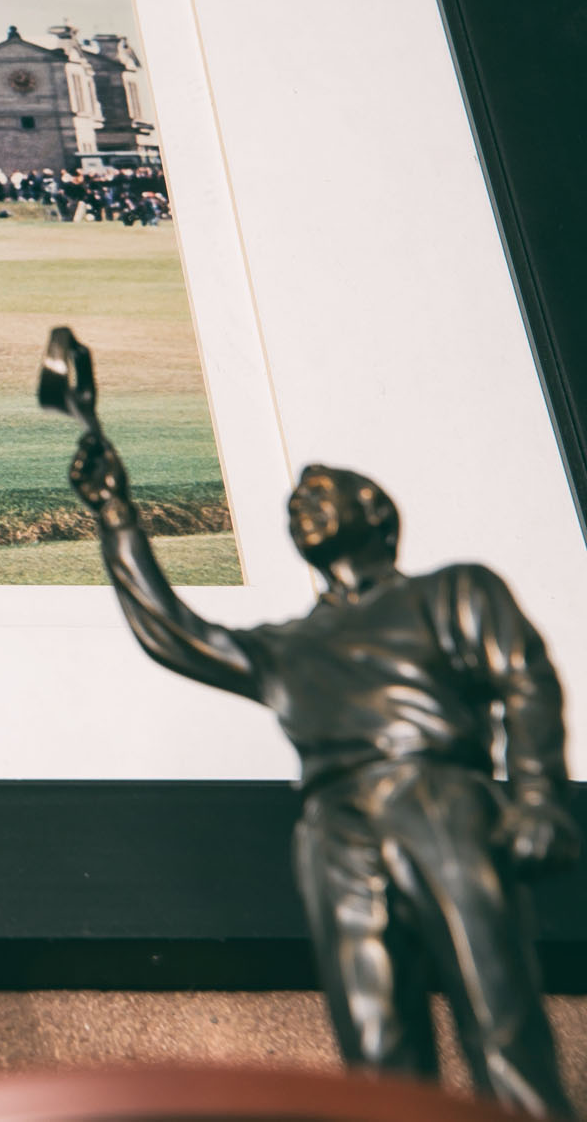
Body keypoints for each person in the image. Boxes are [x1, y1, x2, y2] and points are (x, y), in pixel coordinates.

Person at [73, 432, 577, 1115]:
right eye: (292, 503)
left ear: (373, 511)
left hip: (438, 796)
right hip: (332, 824)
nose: (299, 507)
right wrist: (116, 516)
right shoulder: (288, 646)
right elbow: (174, 631)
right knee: (374, 1050)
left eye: (319, 494)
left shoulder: (454, 589)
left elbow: (526, 680)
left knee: (499, 1014)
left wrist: (540, 796)